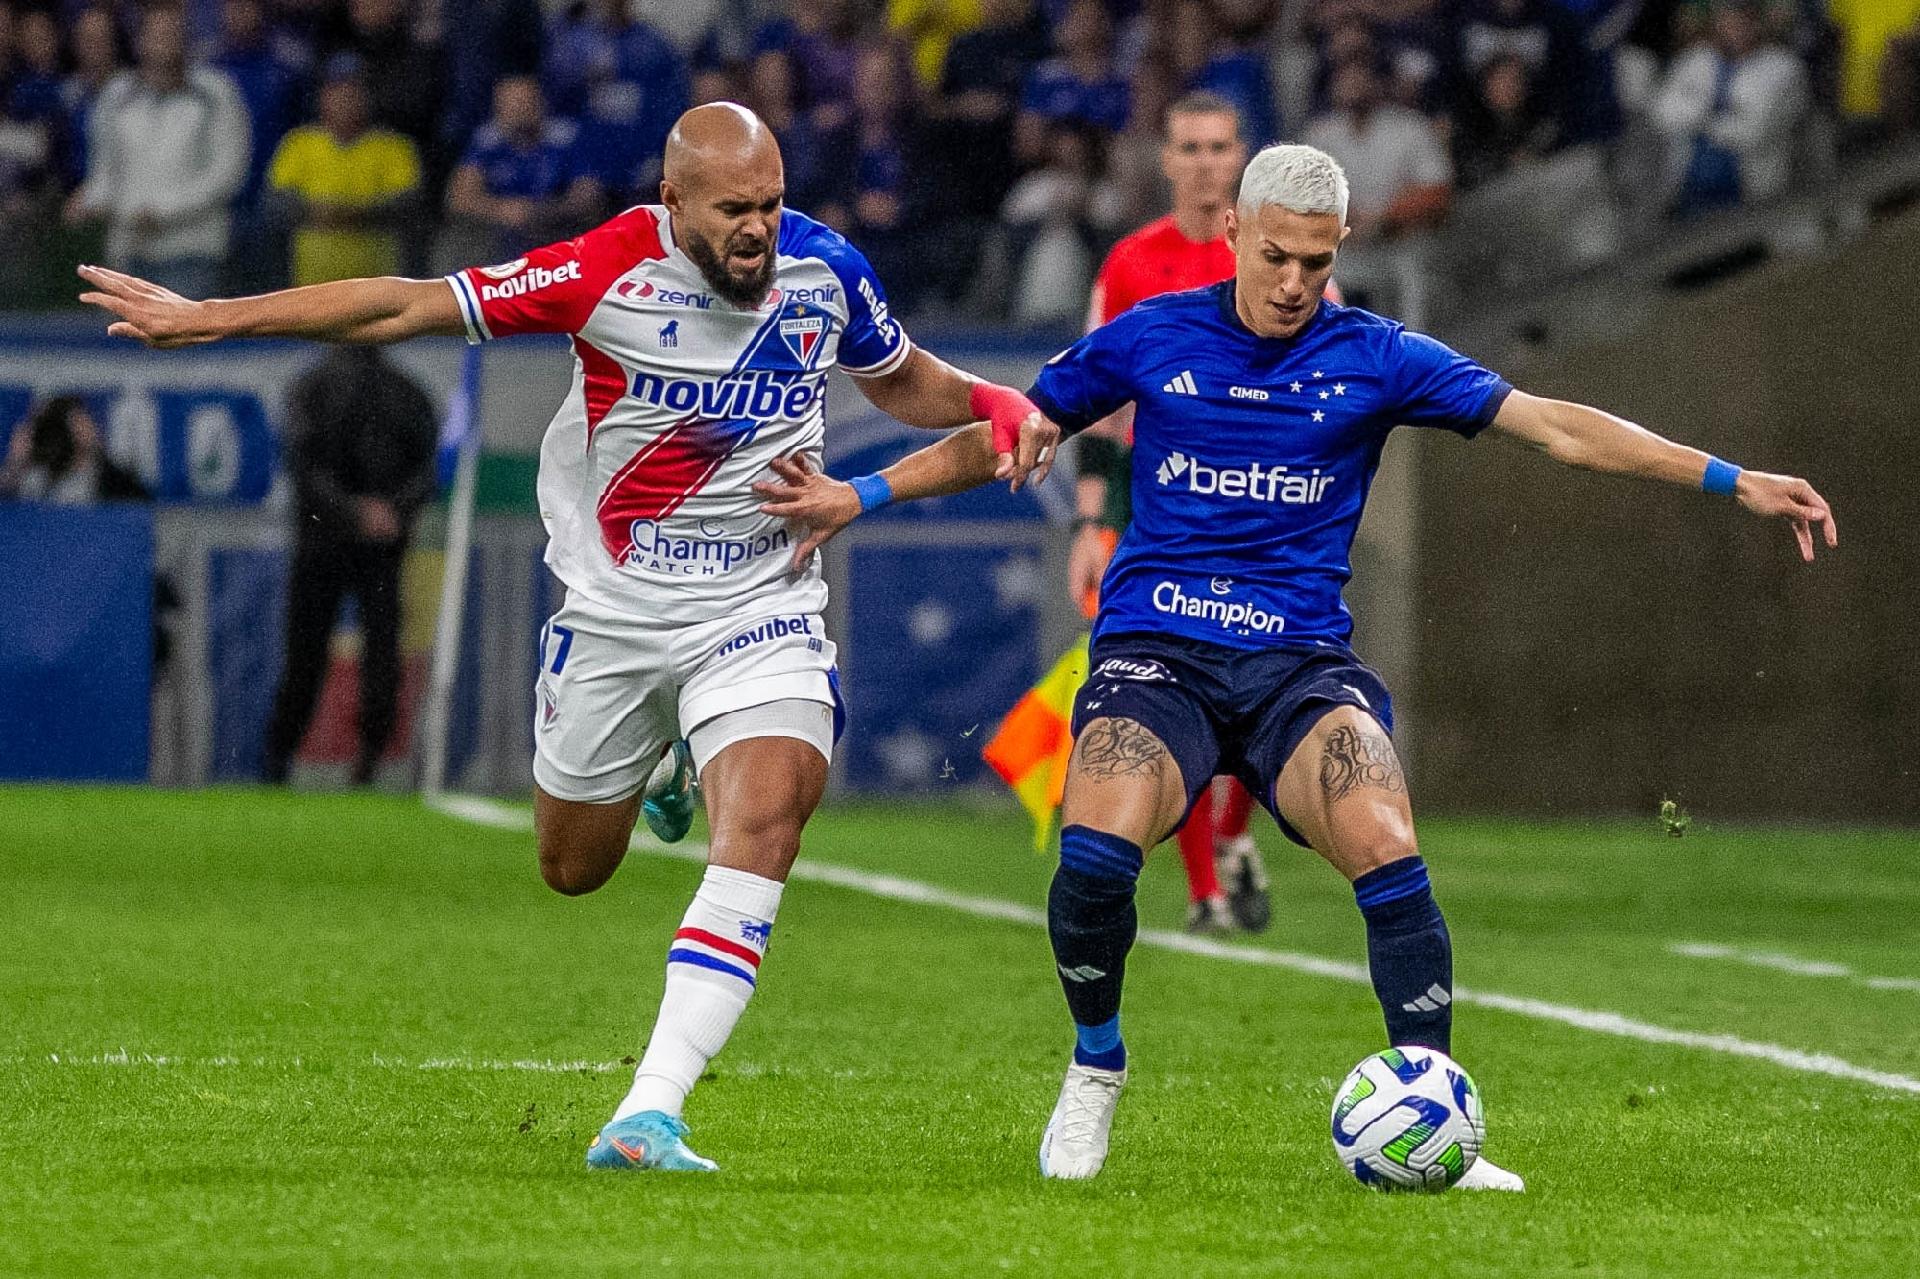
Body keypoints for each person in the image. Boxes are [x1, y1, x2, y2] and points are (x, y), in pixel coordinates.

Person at [754, 142, 1836, 1188]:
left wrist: (1729, 477)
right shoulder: (1150, 337)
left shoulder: (1376, 356)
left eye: (1317, 262)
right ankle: (1096, 1061)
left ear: (1341, 247)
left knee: (1385, 832)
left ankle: (1442, 1110)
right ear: (1234, 233)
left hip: (1298, 671)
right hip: (1157, 654)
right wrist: (862, 494)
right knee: (1094, 851)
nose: (1293, 282)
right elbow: (1012, 428)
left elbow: (1552, 426)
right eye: (1275, 256)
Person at [78, 101, 1058, 1174]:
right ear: (672, 199)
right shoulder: (602, 270)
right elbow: (404, 306)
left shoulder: (825, 270)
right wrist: (215, 316)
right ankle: (672, 760)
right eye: (735, 209)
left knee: (770, 816)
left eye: (773, 206)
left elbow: (905, 379)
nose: (760, 230)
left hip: (759, 602)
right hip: (616, 610)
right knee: (573, 865)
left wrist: (991, 398)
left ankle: (651, 1110)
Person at [1071, 91, 1334, 935]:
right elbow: (1096, 404)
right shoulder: (1130, 263)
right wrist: (1088, 523)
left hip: (1264, 506)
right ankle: (1206, 889)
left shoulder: (1280, 254)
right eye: (1190, 147)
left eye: (1221, 146)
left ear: (1242, 156)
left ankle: (1228, 838)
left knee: (1268, 678)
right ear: (1166, 159)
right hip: (1156, 504)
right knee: (1165, 682)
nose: (1206, 162)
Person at [261, 345, 437, 786]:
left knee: (307, 654)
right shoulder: (408, 392)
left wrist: (351, 512)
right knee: (379, 653)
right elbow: (427, 471)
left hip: (324, 543)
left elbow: (302, 468)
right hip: (379, 546)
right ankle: (367, 762)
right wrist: (386, 511)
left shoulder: (311, 387)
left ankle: (278, 759)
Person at [63, 2, 251, 299]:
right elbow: (105, 171)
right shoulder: (116, 94)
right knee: (120, 341)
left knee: (186, 344)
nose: (166, 39)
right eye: (157, 32)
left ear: (187, 37)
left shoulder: (217, 92)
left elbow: (228, 173)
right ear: (140, 40)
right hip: (127, 252)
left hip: (192, 250)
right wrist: (89, 198)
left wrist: (162, 213)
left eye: (173, 32)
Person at [267, 56, 421, 287]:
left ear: (369, 97)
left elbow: (407, 205)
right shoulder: (299, 143)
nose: (345, 100)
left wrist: (357, 213)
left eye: (354, 91)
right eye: (336, 91)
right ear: (322, 97)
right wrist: (314, 210)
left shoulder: (394, 147)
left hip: (377, 284)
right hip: (310, 284)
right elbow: (275, 202)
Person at [1651, 0, 1809, 220]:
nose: (1737, 25)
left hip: (1755, 194)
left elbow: (1752, 133)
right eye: (1728, 17)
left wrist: (1700, 118)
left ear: (1758, 20)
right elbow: (1662, 115)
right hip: (1690, 193)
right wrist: (1717, 116)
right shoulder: (1695, 60)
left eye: (1745, 17)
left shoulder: (1784, 67)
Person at [446, 74, 604, 261]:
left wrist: (539, 212)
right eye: (509, 104)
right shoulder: (487, 142)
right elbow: (458, 198)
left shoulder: (566, 138)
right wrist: (501, 210)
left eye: (524, 102)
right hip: (499, 235)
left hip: (556, 231)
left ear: (541, 103)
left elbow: (588, 197)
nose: (518, 110)